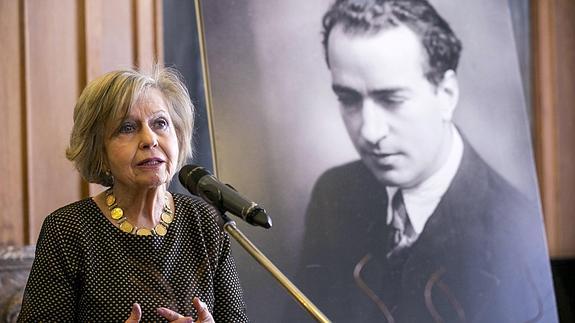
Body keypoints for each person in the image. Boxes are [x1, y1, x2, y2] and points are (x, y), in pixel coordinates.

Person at [290, 0, 557, 322]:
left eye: (392, 99)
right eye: (348, 99)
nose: (371, 132)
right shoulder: (333, 194)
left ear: (446, 94)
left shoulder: (516, 231)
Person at [18, 66, 249, 322]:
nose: (149, 139)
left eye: (160, 123)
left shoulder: (206, 221)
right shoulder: (68, 231)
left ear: (178, 136)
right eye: (127, 128)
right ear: (100, 151)